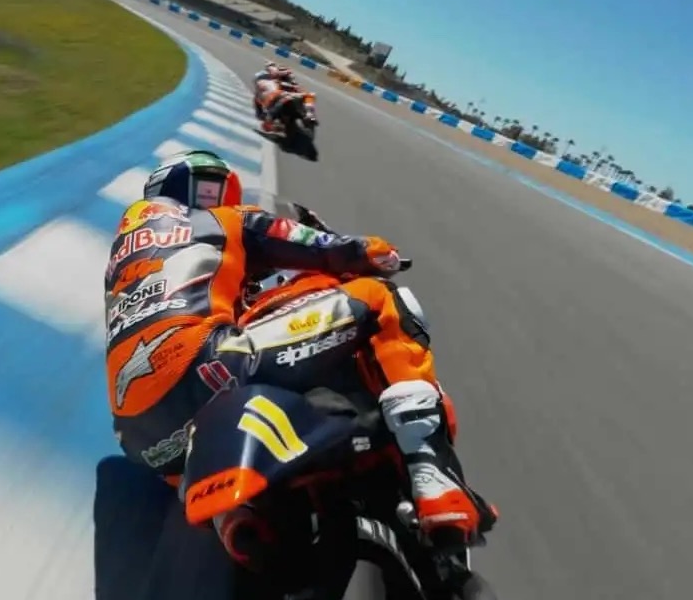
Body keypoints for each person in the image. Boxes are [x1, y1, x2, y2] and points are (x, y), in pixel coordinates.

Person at [104, 149, 495, 554]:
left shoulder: (122, 263)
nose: (216, 199)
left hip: (140, 436)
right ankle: (430, 470)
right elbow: (320, 245)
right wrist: (372, 251)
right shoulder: (225, 221)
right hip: (212, 364)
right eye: (210, 190)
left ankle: (237, 516)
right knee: (379, 298)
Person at [252, 63, 301, 133]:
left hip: (287, 98)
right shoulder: (273, 82)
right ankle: (276, 125)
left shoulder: (285, 80)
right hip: (277, 104)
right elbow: (259, 114)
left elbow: (259, 115)